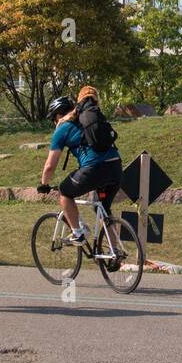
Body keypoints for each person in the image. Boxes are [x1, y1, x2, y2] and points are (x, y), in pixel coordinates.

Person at [38, 87, 122, 245]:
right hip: (116, 167)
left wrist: (44, 184)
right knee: (103, 208)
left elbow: (50, 166)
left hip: (95, 168)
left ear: (57, 115)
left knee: (64, 192)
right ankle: (115, 252)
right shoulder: (89, 119)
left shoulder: (62, 128)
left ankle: (78, 232)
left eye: (53, 119)